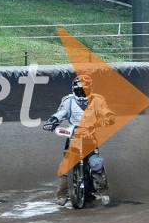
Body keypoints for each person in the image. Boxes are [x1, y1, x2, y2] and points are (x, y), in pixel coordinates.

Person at [42, 74, 114, 206]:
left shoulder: (97, 100)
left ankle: (104, 191)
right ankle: (62, 193)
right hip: (73, 136)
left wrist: (108, 118)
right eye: (79, 91)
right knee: (65, 165)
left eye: (85, 91)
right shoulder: (68, 101)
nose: (81, 94)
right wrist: (52, 121)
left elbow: (106, 111)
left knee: (96, 163)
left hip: (90, 136)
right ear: (73, 90)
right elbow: (61, 113)